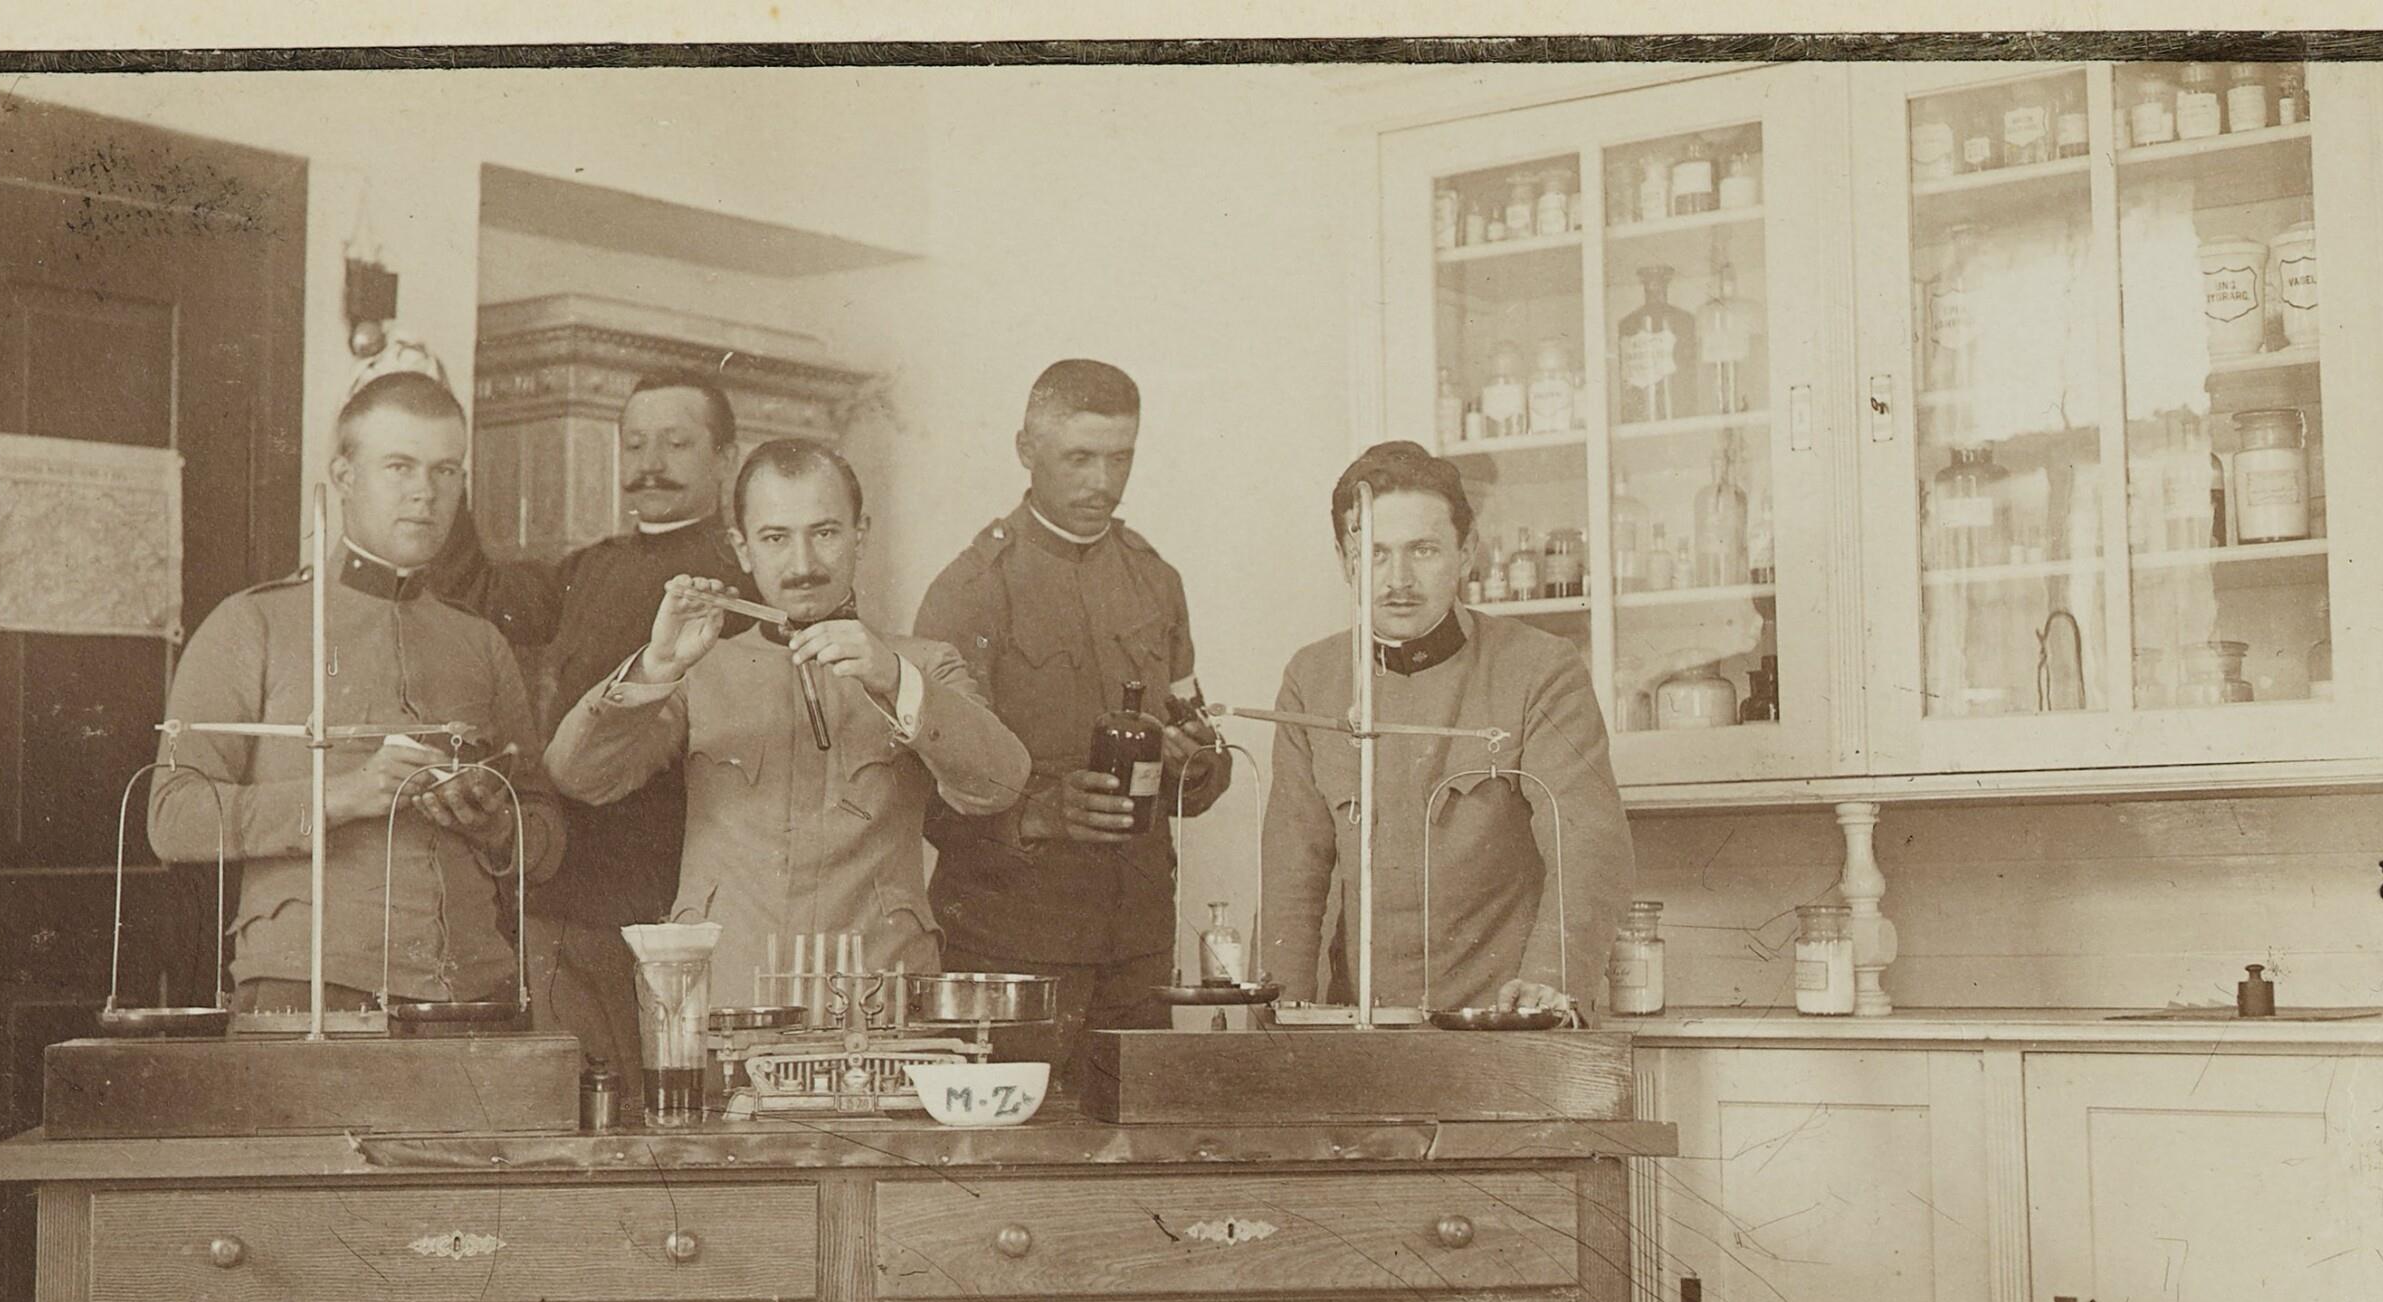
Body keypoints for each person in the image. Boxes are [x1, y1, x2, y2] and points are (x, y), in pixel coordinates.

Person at [545, 439, 1030, 1006]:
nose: (803, 565)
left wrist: (894, 678)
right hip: (730, 1003)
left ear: (860, 535)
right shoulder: (702, 671)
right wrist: (658, 665)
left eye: (825, 533)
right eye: (775, 538)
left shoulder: (923, 664)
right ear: (742, 548)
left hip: (878, 1001)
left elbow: (1000, 786)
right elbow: (578, 776)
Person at [149, 369, 564, 1012]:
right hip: (310, 988)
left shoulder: (480, 642)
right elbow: (173, 818)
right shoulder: (254, 623)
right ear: (344, 476)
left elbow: (545, 836)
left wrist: (497, 825)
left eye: (445, 471)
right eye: (399, 467)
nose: (425, 492)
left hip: (474, 993)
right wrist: (343, 795)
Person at [415, 370, 756, 1080]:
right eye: (634, 444)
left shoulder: (741, 580)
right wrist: (441, 471)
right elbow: (480, 591)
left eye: (676, 444)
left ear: (725, 457)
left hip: (667, 903)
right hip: (562, 886)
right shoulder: (594, 567)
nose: (650, 464)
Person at [912, 359, 1231, 1090]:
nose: (1103, 483)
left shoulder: (1156, 580)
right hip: (1010, 948)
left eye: (1121, 458)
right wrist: (1038, 814)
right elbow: (922, 794)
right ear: (1026, 450)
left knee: (1136, 1144)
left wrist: (1195, 762)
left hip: (1137, 945)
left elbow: (1199, 754)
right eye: (1079, 458)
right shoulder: (970, 592)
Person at [1256, 440, 1634, 1019]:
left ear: (1467, 551)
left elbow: (1588, 845)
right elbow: (1292, 872)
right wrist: (1272, 1025)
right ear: (1343, 560)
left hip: (1504, 1023)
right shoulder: (1312, 678)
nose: (1398, 580)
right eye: (1374, 554)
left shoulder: (1539, 668)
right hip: (1362, 1028)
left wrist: (1548, 985)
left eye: (1424, 550)